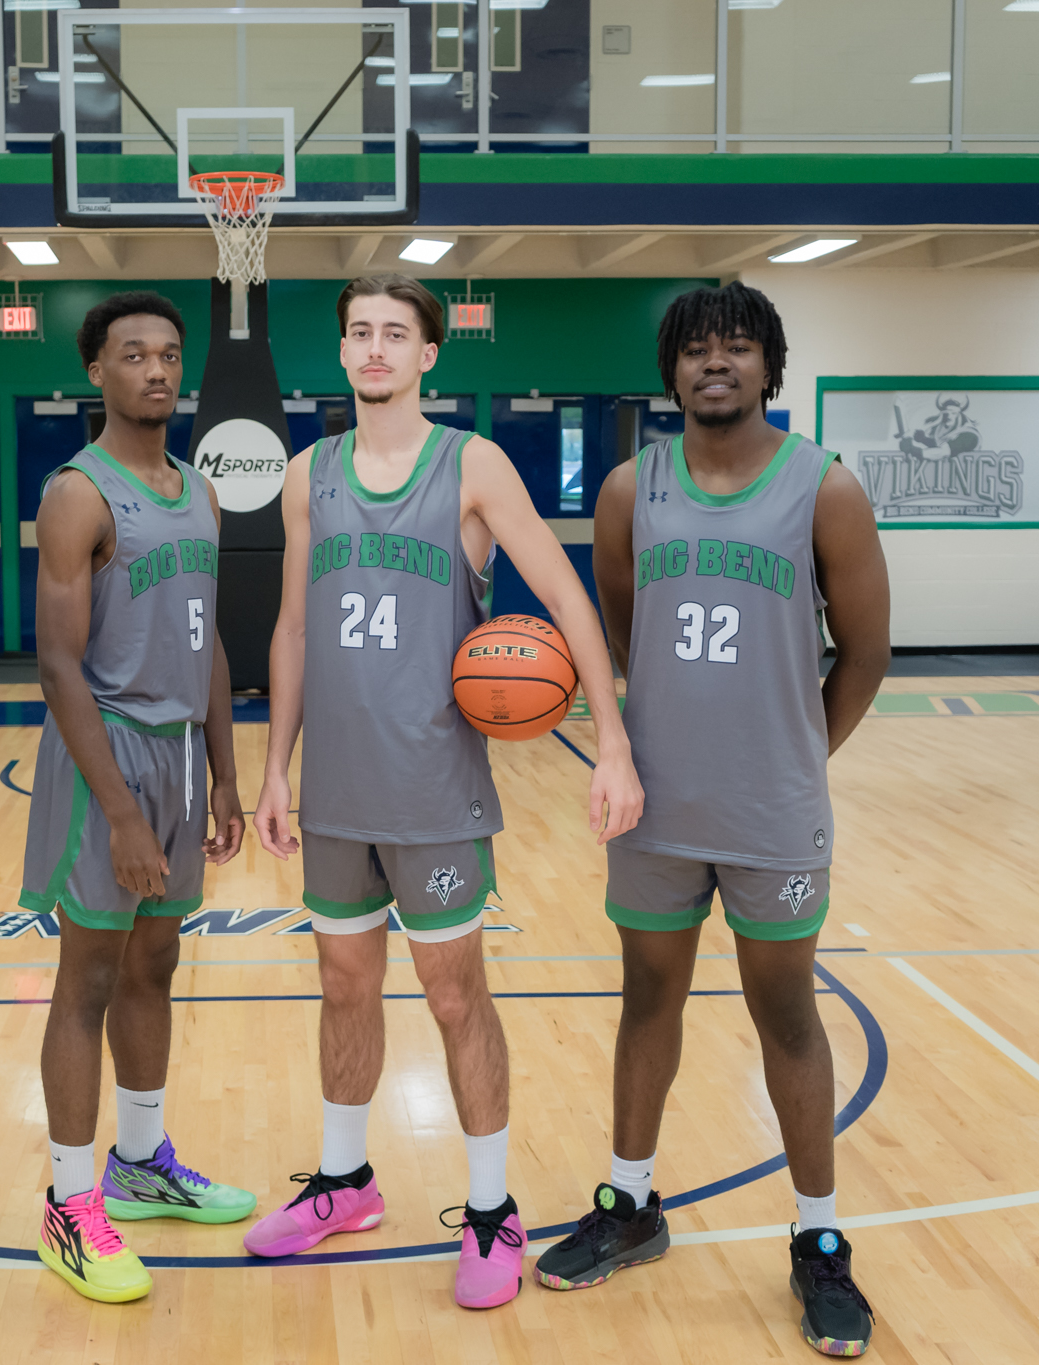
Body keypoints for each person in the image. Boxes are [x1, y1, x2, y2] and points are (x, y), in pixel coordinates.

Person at [246, 274, 643, 1310]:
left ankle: (488, 1212)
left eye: (395, 334)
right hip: (333, 790)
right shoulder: (305, 475)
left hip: (433, 792)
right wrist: (272, 766)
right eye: (358, 333)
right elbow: (290, 629)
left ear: (428, 354)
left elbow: (563, 599)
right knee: (341, 988)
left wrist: (611, 744)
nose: (374, 349)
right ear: (339, 353)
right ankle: (343, 1185)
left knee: (456, 996)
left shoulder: (472, 465)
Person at [533, 281, 887, 1359]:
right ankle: (631, 1204)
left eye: (736, 347)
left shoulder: (822, 489)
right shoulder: (631, 490)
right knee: (647, 999)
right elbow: (627, 628)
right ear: (670, 372)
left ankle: (817, 1242)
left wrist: (790, 760)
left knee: (785, 1016)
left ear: (767, 367)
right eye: (695, 350)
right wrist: (657, 750)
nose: (714, 363)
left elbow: (863, 654)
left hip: (773, 811)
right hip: (654, 808)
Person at [24, 291, 253, 1304]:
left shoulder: (198, 493)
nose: (156, 371)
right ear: (96, 372)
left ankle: (142, 1162)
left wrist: (225, 769)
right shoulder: (79, 494)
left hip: (178, 756)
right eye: (132, 356)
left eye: (167, 355)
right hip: (104, 757)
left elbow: (206, 639)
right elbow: (58, 665)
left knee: (156, 962)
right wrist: (117, 809)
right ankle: (69, 1208)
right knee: (86, 979)